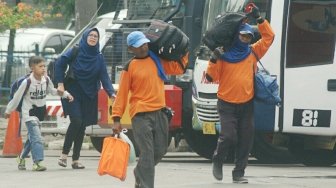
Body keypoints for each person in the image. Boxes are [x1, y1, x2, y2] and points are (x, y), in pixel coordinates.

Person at [206, 5, 275, 183]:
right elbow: (210, 77)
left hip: (247, 104)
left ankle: (239, 173)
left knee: (246, 140)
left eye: (248, 36)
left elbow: (269, 37)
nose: (245, 39)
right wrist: (213, 59)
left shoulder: (253, 51)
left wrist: (260, 19)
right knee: (228, 136)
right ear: (236, 36)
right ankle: (218, 160)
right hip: (226, 104)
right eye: (243, 35)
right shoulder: (223, 55)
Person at [111, 31, 189, 188]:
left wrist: (184, 50)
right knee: (147, 153)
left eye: (145, 43)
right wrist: (116, 119)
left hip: (160, 112)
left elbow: (179, 68)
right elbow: (122, 94)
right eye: (139, 46)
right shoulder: (129, 67)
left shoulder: (157, 60)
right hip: (140, 115)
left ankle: (139, 171)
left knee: (160, 151)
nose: (144, 47)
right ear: (131, 48)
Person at [55, 28, 116, 169]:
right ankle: (64, 155)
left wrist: (111, 93)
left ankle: (75, 160)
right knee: (76, 120)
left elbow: (104, 76)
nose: (93, 38)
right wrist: (60, 84)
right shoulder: (76, 50)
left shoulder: (99, 56)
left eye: (96, 36)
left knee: (82, 125)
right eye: (91, 35)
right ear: (85, 37)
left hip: (89, 94)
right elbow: (59, 63)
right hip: (72, 92)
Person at [4, 56, 74, 171]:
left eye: (44, 66)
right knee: (37, 138)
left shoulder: (46, 80)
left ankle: (21, 157)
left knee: (32, 138)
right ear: (32, 68)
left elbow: (53, 90)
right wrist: (8, 111)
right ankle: (37, 163)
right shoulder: (27, 82)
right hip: (29, 114)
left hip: (40, 112)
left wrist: (66, 94)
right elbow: (16, 98)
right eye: (40, 66)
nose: (43, 68)